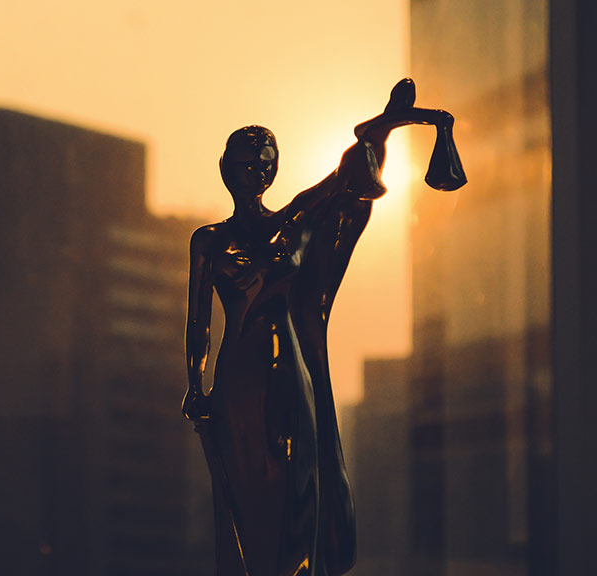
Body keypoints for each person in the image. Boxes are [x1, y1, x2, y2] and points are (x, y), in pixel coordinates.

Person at [183, 78, 464, 576]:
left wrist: (380, 132)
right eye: (246, 163)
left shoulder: (292, 222)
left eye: (265, 163)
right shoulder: (209, 240)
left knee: (299, 482)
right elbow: (198, 322)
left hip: (292, 370)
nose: (256, 171)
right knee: (247, 493)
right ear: (226, 169)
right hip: (240, 380)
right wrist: (194, 385)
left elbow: (341, 185)